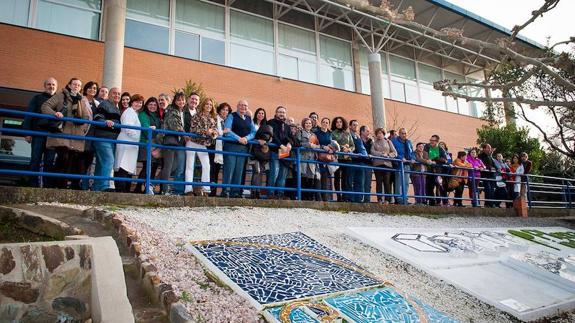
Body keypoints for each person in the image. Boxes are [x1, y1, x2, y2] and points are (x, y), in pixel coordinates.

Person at [40, 77, 91, 189]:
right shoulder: (60, 95)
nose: (76, 87)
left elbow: (87, 116)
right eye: (74, 84)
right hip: (61, 134)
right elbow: (45, 106)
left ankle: (61, 186)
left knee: (69, 162)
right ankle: (53, 182)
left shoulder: (82, 99)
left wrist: (83, 127)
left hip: (75, 136)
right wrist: (55, 113)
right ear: (69, 85)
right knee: (63, 157)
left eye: (78, 85)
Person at [23, 77, 58, 187]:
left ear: (56, 87)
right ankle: (33, 185)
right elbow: (29, 115)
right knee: (35, 160)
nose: (51, 86)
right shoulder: (37, 98)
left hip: (52, 135)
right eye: (49, 84)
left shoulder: (59, 100)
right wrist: (27, 133)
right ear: (45, 86)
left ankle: (47, 187)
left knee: (49, 162)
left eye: (53, 85)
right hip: (38, 134)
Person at [222, 100, 256, 198]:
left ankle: (235, 192)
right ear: (237, 106)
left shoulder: (249, 119)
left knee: (239, 170)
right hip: (231, 146)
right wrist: (239, 138)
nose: (243, 107)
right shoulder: (231, 116)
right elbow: (227, 131)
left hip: (243, 148)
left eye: (245, 105)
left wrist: (246, 138)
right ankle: (226, 191)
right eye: (241, 105)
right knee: (229, 169)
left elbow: (254, 132)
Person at [185, 97, 218, 196]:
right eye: (207, 104)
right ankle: (188, 189)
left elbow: (215, 132)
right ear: (203, 105)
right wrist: (206, 132)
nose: (208, 106)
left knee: (207, 166)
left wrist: (213, 134)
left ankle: (206, 189)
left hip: (203, 145)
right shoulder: (196, 115)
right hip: (192, 142)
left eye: (210, 105)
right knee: (190, 166)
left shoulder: (212, 119)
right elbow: (193, 129)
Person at [92, 87, 121, 192]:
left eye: (118, 94)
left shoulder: (117, 108)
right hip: (103, 138)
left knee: (101, 163)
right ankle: (104, 186)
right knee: (109, 160)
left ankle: (96, 187)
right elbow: (97, 117)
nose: (117, 95)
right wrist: (106, 121)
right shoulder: (104, 104)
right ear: (109, 95)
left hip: (112, 140)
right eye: (114, 93)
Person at [114, 94, 143, 193]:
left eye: (140, 102)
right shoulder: (129, 112)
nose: (138, 104)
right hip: (127, 142)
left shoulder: (134, 113)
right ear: (132, 102)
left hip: (130, 143)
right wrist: (136, 137)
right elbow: (128, 127)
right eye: (136, 102)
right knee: (123, 167)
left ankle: (123, 190)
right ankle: (121, 191)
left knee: (125, 167)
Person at [159, 92, 186, 195]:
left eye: (183, 100)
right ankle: (164, 190)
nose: (181, 102)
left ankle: (152, 183)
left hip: (176, 142)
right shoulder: (172, 110)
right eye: (179, 100)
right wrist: (185, 134)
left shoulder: (180, 111)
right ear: (175, 101)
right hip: (169, 140)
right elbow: (174, 125)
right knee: (169, 166)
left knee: (173, 166)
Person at [134, 97, 162, 194]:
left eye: (154, 105)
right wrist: (152, 130)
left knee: (154, 166)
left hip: (156, 144)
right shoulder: (143, 114)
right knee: (147, 166)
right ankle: (137, 188)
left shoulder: (158, 117)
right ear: (146, 105)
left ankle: (148, 187)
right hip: (146, 142)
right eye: (150, 104)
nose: (152, 106)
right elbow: (145, 128)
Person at [76, 81, 99, 190]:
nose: (92, 90)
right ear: (85, 89)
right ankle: (77, 184)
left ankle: (85, 185)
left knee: (89, 161)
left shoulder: (97, 103)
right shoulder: (81, 99)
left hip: (93, 136)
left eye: (94, 88)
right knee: (79, 160)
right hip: (82, 134)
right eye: (90, 88)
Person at [267, 106, 293, 199]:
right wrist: (281, 145)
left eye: (283, 112)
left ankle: (280, 194)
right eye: (280, 112)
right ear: (276, 113)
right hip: (275, 150)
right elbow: (272, 136)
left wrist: (290, 143)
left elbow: (290, 137)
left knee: (282, 174)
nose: (281, 114)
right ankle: (271, 194)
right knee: (274, 173)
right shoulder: (270, 122)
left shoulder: (286, 126)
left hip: (284, 152)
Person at [208, 102, 230, 197]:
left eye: (227, 110)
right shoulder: (214, 119)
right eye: (223, 109)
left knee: (219, 170)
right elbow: (215, 132)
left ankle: (216, 192)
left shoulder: (227, 122)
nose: (225, 112)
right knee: (212, 170)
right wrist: (223, 131)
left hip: (223, 149)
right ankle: (210, 192)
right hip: (213, 147)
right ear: (219, 110)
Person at [297, 117, 321, 200]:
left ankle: (309, 198)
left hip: (311, 160)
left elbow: (318, 146)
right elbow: (298, 143)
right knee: (303, 178)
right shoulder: (300, 132)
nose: (308, 124)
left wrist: (314, 146)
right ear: (304, 124)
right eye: (306, 123)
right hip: (302, 158)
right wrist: (309, 145)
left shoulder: (314, 135)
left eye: (310, 123)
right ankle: (303, 197)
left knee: (311, 179)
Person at [370, 128, 397, 204]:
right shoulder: (374, 143)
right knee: (378, 182)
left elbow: (395, 152)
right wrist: (381, 154)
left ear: (383, 134)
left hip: (387, 165)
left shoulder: (388, 142)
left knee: (387, 182)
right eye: (377, 133)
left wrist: (388, 155)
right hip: (377, 164)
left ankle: (387, 199)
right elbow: (372, 151)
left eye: (380, 133)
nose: (379, 135)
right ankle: (379, 199)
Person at [331, 116, 354, 202]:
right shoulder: (332, 133)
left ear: (343, 123)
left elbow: (352, 145)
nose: (339, 123)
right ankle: (338, 196)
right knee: (337, 178)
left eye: (340, 122)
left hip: (347, 158)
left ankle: (345, 196)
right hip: (337, 158)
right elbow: (332, 143)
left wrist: (349, 149)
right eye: (337, 122)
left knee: (346, 178)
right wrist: (342, 147)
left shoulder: (347, 133)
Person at [248, 107, 268, 198]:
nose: (261, 115)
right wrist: (257, 140)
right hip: (254, 150)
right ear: (256, 114)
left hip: (263, 151)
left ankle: (258, 191)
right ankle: (253, 191)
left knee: (261, 172)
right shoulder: (252, 123)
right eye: (259, 113)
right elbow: (250, 135)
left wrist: (265, 141)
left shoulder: (265, 125)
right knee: (256, 170)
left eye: (262, 113)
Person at [424, 135, 448, 206]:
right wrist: (429, 160)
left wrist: (436, 159)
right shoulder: (427, 146)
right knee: (429, 186)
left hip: (438, 171)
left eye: (433, 140)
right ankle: (432, 202)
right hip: (429, 169)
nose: (431, 141)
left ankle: (439, 201)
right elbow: (425, 155)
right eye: (430, 140)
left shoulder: (440, 149)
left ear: (437, 142)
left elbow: (445, 160)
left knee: (439, 186)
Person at [391, 128, 413, 204]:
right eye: (402, 133)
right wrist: (400, 158)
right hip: (399, 164)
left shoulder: (409, 142)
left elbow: (412, 152)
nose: (404, 135)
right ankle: (399, 199)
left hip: (407, 164)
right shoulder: (394, 141)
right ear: (399, 134)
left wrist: (412, 159)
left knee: (406, 182)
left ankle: (404, 198)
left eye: (405, 133)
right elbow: (393, 152)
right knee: (399, 182)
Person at [314, 117, 333, 201]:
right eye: (324, 122)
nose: (325, 124)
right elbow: (314, 143)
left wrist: (331, 147)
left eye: (327, 122)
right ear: (321, 123)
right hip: (318, 157)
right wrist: (323, 147)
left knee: (325, 177)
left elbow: (332, 144)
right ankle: (318, 197)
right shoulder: (316, 133)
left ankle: (325, 197)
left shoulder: (330, 133)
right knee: (318, 177)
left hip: (327, 158)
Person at [349, 120, 367, 203]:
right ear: (350, 126)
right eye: (354, 125)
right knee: (350, 181)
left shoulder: (358, 137)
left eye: (357, 125)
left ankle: (358, 199)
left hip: (360, 162)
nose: (355, 126)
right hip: (352, 161)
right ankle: (351, 199)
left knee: (360, 182)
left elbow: (363, 149)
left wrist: (366, 155)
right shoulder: (348, 135)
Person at [360, 125, 373, 203]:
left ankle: (367, 200)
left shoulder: (370, 141)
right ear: (362, 131)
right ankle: (360, 198)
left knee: (368, 183)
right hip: (360, 163)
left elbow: (373, 150)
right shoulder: (358, 139)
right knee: (360, 182)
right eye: (367, 131)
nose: (369, 132)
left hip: (368, 164)